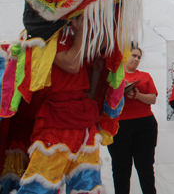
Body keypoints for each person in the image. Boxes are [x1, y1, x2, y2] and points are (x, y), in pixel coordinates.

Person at [17, 16, 105, 194]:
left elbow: (103, 45)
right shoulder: (44, 36)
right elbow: (71, 64)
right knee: (40, 185)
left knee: (87, 187)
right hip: (57, 121)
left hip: (84, 120)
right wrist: (80, 31)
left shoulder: (74, 37)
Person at [108, 46, 158, 194]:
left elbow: (153, 98)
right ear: (125, 55)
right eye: (134, 56)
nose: (136, 59)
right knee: (120, 168)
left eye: (138, 57)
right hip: (120, 125)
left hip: (144, 124)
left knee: (145, 166)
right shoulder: (113, 74)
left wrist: (137, 95)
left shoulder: (145, 75)